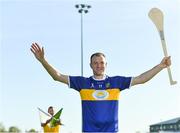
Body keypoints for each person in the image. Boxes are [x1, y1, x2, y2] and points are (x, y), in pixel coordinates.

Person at [31, 42, 171, 133]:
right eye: (95, 63)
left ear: (106, 64)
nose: (99, 65)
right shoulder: (82, 83)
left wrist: (160, 66)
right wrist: (43, 60)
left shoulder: (117, 82)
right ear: (90, 65)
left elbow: (141, 79)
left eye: (102, 62)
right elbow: (57, 76)